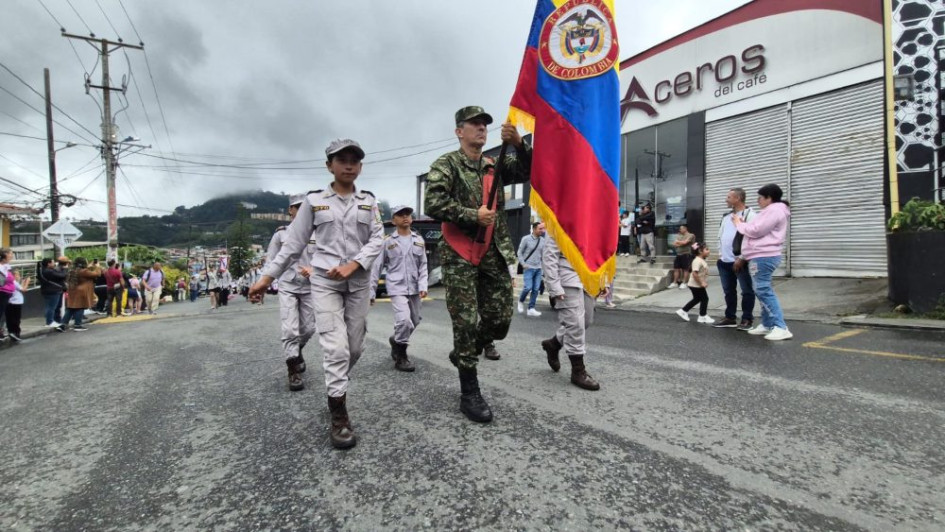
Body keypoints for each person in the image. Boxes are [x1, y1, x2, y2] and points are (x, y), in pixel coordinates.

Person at [250, 138, 384, 450]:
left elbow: (378, 238)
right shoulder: (314, 202)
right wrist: (265, 278)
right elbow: (292, 246)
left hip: (359, 282)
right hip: (324, 282)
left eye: (354, 160)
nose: (349, 164)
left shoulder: (369, 201)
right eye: (341, 159)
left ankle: (335, 379)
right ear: (329, 166)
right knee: (335, 350)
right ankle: (339, 414)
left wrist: (355, 264)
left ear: (360, 166)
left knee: (355, 347)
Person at [423, 106, 532, 423]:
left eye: (485, 124)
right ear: (459, 131)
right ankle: (469, 391)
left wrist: (520, 145)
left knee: (500, 321)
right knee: (467, 322)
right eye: (474, 124)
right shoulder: (447, 165)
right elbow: (433, 202)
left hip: (492, 250)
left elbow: (529, 172)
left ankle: (463, 352)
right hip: (459, 252)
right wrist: (472, 215)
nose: (481, 129)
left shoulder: (493, 164)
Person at [539, 233, 602, 390]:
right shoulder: (559, 218)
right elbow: (549, 256)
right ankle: (578, 370)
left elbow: (597, 251)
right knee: (575, 324)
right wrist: (553, 285)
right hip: (566, 274)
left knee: (586, 321)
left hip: (588, 274)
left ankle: (553, 344)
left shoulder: (590, 221)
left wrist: (603, 280)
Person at [267, 193, 316, 391]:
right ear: (290, 210)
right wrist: (267, 283)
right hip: (287, 285)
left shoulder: (317, 234)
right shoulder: (280, 235)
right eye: (297, 207)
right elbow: (271, 261)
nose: (301, 211)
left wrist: (314, 269)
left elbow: (324, 258)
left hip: (310, 286)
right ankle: (293, 369)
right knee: (290, 329)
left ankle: (297, 350)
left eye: (304, 207)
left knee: (309, 328)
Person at [370, 204, 428, 372]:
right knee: (404, 320)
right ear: (393, 220)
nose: (405, 217)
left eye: (408, 214)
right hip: (396, 287)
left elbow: (423, 265)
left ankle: (396, 339)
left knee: (415, 321)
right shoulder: (387, 242)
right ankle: (401, 356)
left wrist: (423, 285)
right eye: (400, 214)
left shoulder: (419, 240)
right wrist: (371, 292)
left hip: (415, 287)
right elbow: (377, 267)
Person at [734, 183, 793, 341]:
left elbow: (756, 230)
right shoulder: (771, 211)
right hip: (760, 255)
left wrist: (739, 224)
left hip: (763, 256)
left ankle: (780, 326)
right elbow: (755, 228)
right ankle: (767, 324)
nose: (758, 201)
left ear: (769, 198)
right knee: (761, 290)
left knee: (763, 290)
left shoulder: (774, 210)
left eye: (760, 197)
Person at [714, 187, 757, 330]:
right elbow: (721, 235)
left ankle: (747, 319)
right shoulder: (726, 216)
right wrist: (720, 254)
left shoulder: (750, 215)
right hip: (724, 261)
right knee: (729, 291)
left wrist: (742, 258)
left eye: (728, 197)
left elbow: (751, 238)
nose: (726, 200)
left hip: (740, 261)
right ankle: (730, 317)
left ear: (737, 198)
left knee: (746, 290)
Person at [57, 257, 101, 332]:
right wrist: (97, 267)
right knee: (80, 307)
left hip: (72, 290)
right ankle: (78, 325)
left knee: (71, 308)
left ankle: (63, 325)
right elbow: (97, 274)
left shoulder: (72, 270)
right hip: (81, 292)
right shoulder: (83, 271)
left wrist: (90, 266)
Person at [675, 242, 714, 323]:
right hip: (696, 284)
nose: (709, 251)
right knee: (704, 299)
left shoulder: (700, 260)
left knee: (697, 299)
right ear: (700, 251)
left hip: (695, 284)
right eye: (707, 249)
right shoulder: (697, 261)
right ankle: (702, 316)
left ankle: (683, 311)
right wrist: (701, 283)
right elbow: (694, 273)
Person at [516, 222, 545, 318]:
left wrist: (543, 270)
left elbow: (543, 256)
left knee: (536, 289)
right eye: (540, 229)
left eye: (542, 229)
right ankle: (520, 301)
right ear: (534, 229)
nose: (542, 231)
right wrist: (523, 264)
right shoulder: (526, 239)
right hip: (528, 267)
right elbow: (519, 252)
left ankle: (531, 308)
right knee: (528, 287)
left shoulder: (543, 241)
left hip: (538, 268)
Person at [38, 257, 67, 327]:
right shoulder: (48, 271)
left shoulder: (44, 270)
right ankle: (49, 322)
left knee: (54, 307)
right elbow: (62, 275)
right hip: (52, 291)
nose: (54, 264)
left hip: (52, 290)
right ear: (48, 264)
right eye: (53, 262)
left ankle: (56, 320)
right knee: (51, 307)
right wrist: (64, 269)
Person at [4, 270, 30, 342]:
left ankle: (11, 332)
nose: (19, 276)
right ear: (13, 275)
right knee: (16, 318)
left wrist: (23, 282)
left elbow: (19, 288)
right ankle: (16, 333)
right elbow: (24, 290)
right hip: (16, 302)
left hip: (10, 302)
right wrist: (27, 282)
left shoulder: (10, 282)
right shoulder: (14, 282)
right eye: (17, 275)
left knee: (10, 318)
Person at [0, 248, 13, 338]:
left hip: (7, 292)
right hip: (2, 292)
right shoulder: (1, 267)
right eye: (10, 254)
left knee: (2, 313)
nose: (11, 255)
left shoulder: (7, 266)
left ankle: (1, 331)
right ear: (4, 256)